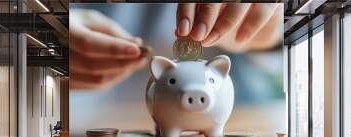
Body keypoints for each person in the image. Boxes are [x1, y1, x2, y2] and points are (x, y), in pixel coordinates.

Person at [69, 3, 282, 90]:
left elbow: (281, 55)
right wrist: (61, 27)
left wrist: (272, 34)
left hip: (240, 104)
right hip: (98, 107)